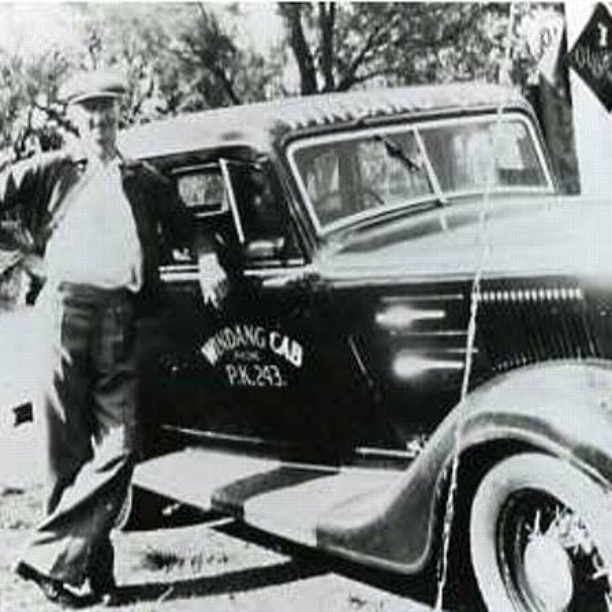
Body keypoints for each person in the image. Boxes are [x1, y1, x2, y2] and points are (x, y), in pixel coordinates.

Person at [0, 70, 228, 607]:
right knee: (65, 454)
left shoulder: (142, 179)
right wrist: (23, 257)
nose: (100, 122)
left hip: (120, 319)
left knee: (121, 448)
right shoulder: (52, 169)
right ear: (76, 120)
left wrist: (209, 257)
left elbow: (191, 225)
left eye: (108, 112)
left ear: (120, 116)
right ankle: (85, 575)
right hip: (63, 313)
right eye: (90, 114)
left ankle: (44, 558)